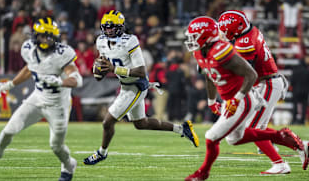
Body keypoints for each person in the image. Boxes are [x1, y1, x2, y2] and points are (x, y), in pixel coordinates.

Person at [183, 16, 305, 181]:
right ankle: (283, 141)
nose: (191, 41)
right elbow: (210, 76)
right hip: (250, 89)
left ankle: (284, 154)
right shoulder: (204, 51)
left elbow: (248, 73)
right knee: (236, 137)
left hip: (256, 88)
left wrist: (238, 98)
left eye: (194, 36)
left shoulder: (230, 47)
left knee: (225, 134)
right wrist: (212, 102)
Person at [83, 10, 199, 165]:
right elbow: (102, 63)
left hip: (137, 85)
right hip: (125, 85)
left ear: (121, 27)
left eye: (112, 27)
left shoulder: (130, 41)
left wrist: (113, 69)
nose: (109, 30)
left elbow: (141, 71)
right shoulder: (101, 41)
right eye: (107, 27)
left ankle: (101, 153)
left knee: (107, 122)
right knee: (141, 124)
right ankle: (182, 129)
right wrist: (98, 71)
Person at [0, 17, 82, 181]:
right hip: (37, 97)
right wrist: (10, 84)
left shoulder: (62, 53)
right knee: (9, 130)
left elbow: (77, 80)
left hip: (57, 105)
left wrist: (61, 81)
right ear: (35, 36)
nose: (46, 41)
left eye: (49, 37)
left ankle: (68, 165)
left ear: (56, 38)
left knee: (56, 146)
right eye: (42, 36)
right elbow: (29, 68)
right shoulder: (28, 49)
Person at [218, 10, 309, 173]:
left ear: (236, 28)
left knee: (252, 130)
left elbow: (246, 74)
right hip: (267, 81)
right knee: (253, 129)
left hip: (266, 84)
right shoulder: (249, 31)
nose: (224, 34)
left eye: (226, 30)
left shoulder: (244, 42)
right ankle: (296, 146)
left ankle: (282, 160)